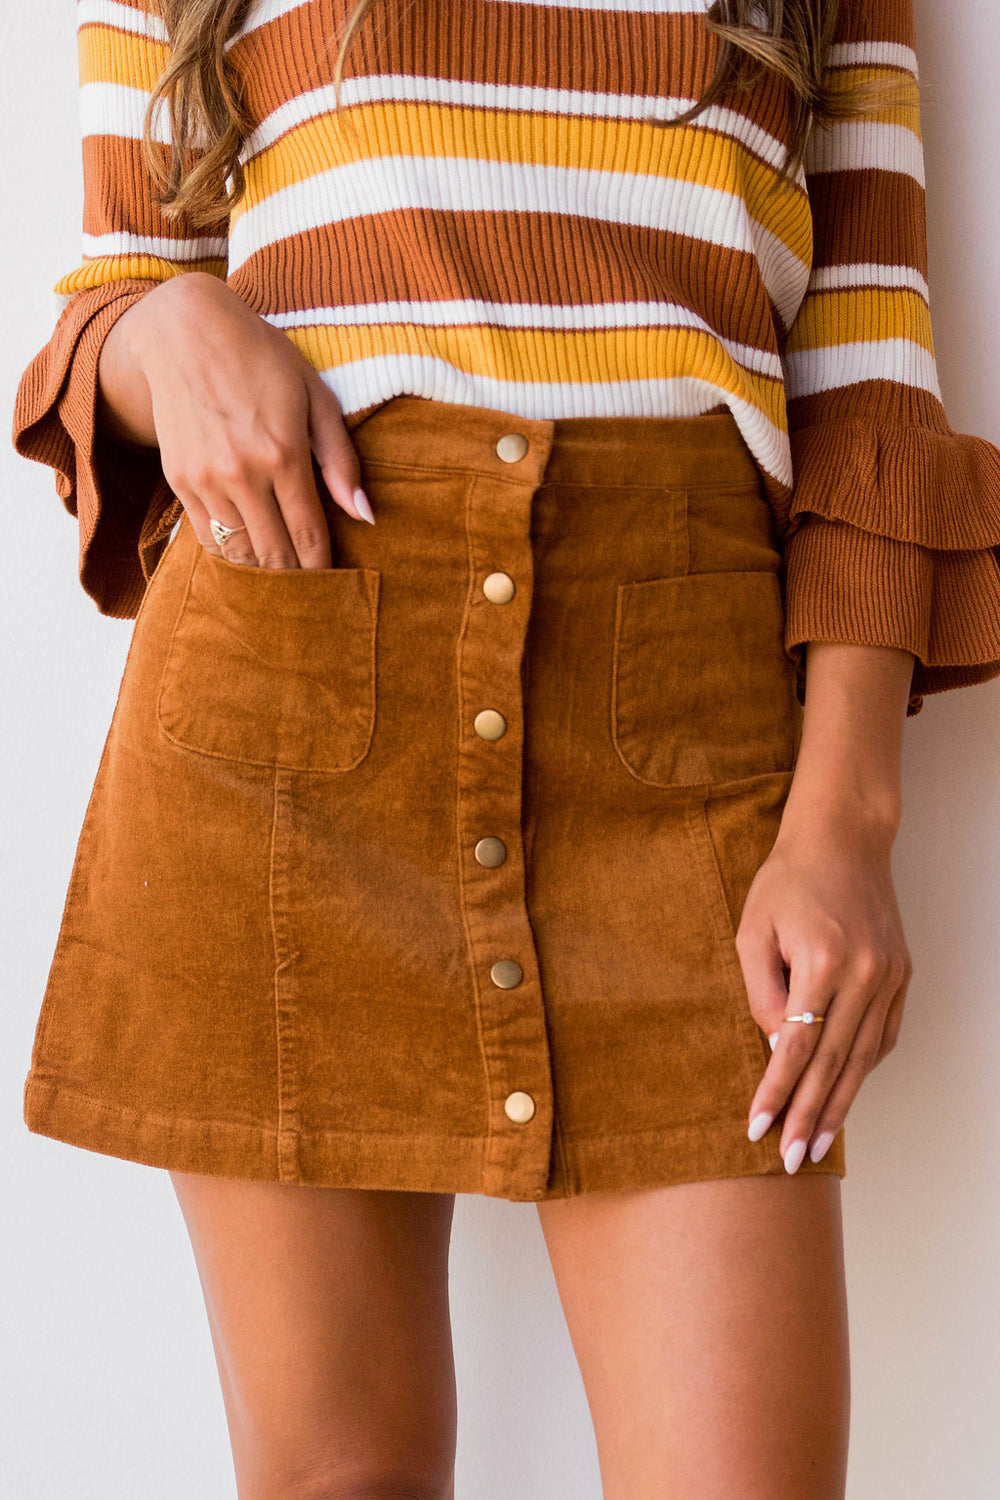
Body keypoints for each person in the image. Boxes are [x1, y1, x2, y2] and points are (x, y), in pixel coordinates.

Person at [11, 1, 1000, 1496]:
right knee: (344, 1473)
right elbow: (122, 285)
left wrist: (846, 818)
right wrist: (156, 327)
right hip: (294, 697)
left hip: (683, 718)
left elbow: (869, 373)